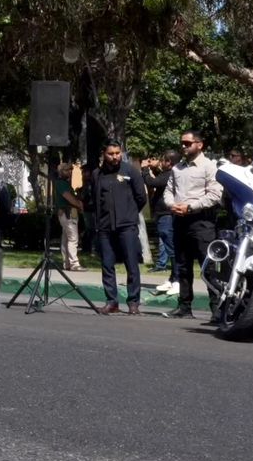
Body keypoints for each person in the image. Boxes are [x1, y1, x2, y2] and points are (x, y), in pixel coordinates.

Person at [163, 130, 224, 321]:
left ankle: (217, 309)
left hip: (202, 222)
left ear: (199, 144)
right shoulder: (177, 168)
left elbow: (215, 194)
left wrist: (191, 207)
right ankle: (184, 306)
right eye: (182, 143)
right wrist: (172, 205)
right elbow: (168, 191)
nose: (183, 146)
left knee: (208, 266)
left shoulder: (209, 167)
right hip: (180, 220)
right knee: (182, 265)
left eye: (187, 143)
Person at [86, 141, 147, 314]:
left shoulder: (130, 171)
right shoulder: (97, 174)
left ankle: (133, 302)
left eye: (117, 153)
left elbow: (141, 197)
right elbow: (95, 199)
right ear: (104, 154)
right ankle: (111, 302)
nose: (115, 157)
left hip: (126, 226)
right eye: (111, 153)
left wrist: (129, 213)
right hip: (105, 227)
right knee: (107, 264)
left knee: (131, 264)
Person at [144, 152, 179, 294]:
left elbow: (152, 182)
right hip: (162, 215)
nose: (160, 162)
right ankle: (173, 278)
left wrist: (145, 169)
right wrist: (153, 169)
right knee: (169, 247)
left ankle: (177, 280)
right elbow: (159, 179)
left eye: (162, 160)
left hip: (166, 216)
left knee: (172, 249)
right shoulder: (167, 174)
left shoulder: (171, 174)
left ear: (169, 162)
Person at [53, 162, 85, 271]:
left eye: (70, 169)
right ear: (61, 172)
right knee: (73, 238)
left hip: (67, 213)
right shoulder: (61, 183)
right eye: (67, 170)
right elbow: (68, 197)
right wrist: (79, 204)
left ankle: (67, 263)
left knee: (66, 239)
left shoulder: (63, 183)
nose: (70, 172)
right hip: (68, 213)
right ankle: (74, 263)